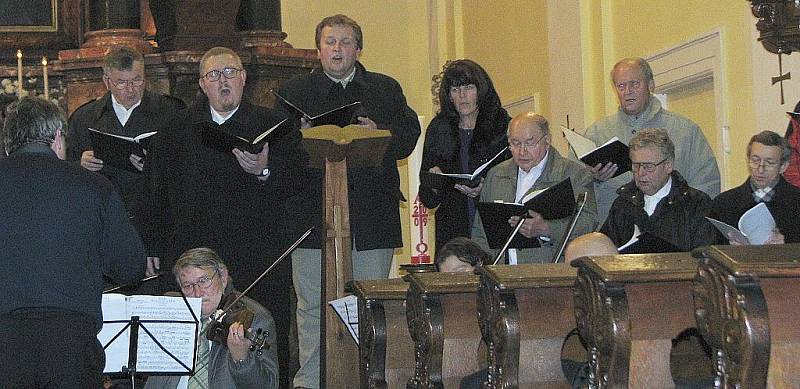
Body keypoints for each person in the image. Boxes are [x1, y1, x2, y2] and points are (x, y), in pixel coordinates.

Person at [143, 46, 308, 388]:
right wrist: (153, 246)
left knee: (257, 347)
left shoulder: (274, 125)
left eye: (230, 73)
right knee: (188, 350)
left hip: (256, 255)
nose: (223, 81)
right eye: (214, 75)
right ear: (202, 84)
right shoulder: (176, 129)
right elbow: (156, 191)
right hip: (194, 258)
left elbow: (299, 180)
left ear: (244, 78)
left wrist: (264, 169)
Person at [274, 14, 421, 389]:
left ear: (358, 49)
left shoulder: (385, 89)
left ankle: (371, 378)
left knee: (370, 303)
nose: (337, 49)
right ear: (318, 49)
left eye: (344, 42)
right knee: (311, 307)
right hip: (310, 217)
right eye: (329, 42)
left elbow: (406, 136)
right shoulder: (292, 91)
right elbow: (276, 149)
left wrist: (380, 133)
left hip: (372, 215)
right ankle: (310, 381)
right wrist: (300, 137)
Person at [0, 96, 145, 388]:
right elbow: (130, 267)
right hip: (70, 344)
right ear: (57, 139)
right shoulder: (95, 187)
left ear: (8, 143)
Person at [67, 45, 184, 279]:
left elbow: (185, 173)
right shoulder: (85, 117)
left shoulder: (170, 113)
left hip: (155, 227)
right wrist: (79, 164)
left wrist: (157, 165)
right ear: (106, 81)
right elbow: (65, 178)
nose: (131, 89)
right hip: (103, 230)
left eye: (137, 80)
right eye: (122, 82)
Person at [577, 57, 720, 224]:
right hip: (615, 235)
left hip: (673, 234)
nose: (627, 91)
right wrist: (593, 178)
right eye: (621, 86)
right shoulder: (595, 134)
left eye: (634, 84)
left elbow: (707, 185)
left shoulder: (686, 131)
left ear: (651, 86)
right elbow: (576, 193)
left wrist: (686, 224)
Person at [472, 112, 597, 264]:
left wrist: (547, 228)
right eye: (515, 143)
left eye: (530, 143)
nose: (522, 151)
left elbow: (588, 223)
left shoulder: (574, 174)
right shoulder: (496, 175)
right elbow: (480, 231)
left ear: (547, 140)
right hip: (500, 273)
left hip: (547, 273)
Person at [143, 248, 279, 389]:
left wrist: (242, 359)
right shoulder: (172, 312)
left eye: (203, 281)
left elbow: (268, 385)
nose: (197, 293)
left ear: (223, 277)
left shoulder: (255, 317)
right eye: (188, 286)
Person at [419, 59, 511, 252]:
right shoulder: (438, 128)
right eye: (454, 90)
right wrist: (435, 182)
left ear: (481, 90)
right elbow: (427, 197)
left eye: (468, 88)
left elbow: (518, 176)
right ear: (448, 96)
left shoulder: (502, 125)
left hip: (494, 222)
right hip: (452, 227)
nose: (462, 96)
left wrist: (488, 186)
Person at [601, 128, 717, 251]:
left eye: (648, 166)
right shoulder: (623, 204)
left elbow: (705, 257)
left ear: (668, 166)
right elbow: (605, 249)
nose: (640, 173)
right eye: (635, 165)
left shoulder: (697, 204)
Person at [709, 130, 800, 244]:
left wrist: (787, 245)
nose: (760, 169)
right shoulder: (724, 203)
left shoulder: (796, 202)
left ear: (783, 166)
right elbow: (710, 250)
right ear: (748, 160)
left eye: (769, 163)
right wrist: (731, 250)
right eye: (755, 160)